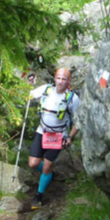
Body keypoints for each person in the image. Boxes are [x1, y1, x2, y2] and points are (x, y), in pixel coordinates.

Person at [27, 67, 80, 209]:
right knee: (33, 164)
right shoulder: (46, 90)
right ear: (55, 79)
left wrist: (70, 137)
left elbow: (79, 121)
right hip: (42, 131)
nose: (60, 82)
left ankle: (38, 196)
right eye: (58, 78)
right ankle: (48, 173)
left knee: (46, 165)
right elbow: (28, 95)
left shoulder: (72, 98)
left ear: (68, 81)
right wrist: (29, 83)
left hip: (58, 135)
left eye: (64, 79)